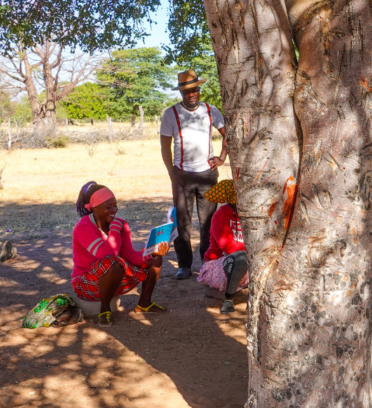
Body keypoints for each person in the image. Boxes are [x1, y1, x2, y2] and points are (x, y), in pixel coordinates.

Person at [160, 70, 228, 280]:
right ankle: (185, 265)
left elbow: (228, 134)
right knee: (182, 222)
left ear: (199, 90)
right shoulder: (170, 114)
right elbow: (165, 146)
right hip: (182, 175)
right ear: (181, 93)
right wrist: (172, 172)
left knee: (208, 222)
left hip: (208, 175)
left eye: (195, 90)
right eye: (187, 91)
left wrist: (222, 157)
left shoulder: (211, 111)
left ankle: (207, 262)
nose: (192, 94)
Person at [72, 182, 168, 326]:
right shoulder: (83, 227)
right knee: (112, 262)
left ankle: (144, 304)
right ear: (95, 208)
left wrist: (150, 253)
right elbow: (107, 254)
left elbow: (129, 254)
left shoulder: (120, 224)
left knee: (155, 259)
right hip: (85, 284)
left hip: (112, 277)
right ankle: (104, 310)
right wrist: (115, 230)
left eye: (115, 206)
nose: (114, 210)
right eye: (108, 207)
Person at [197, 180, 249, 314]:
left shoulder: (251, 215)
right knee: (240, 258)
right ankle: (229, 299)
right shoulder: (220, 215)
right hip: (218, 264)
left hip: (247, 261)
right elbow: (229, 248)